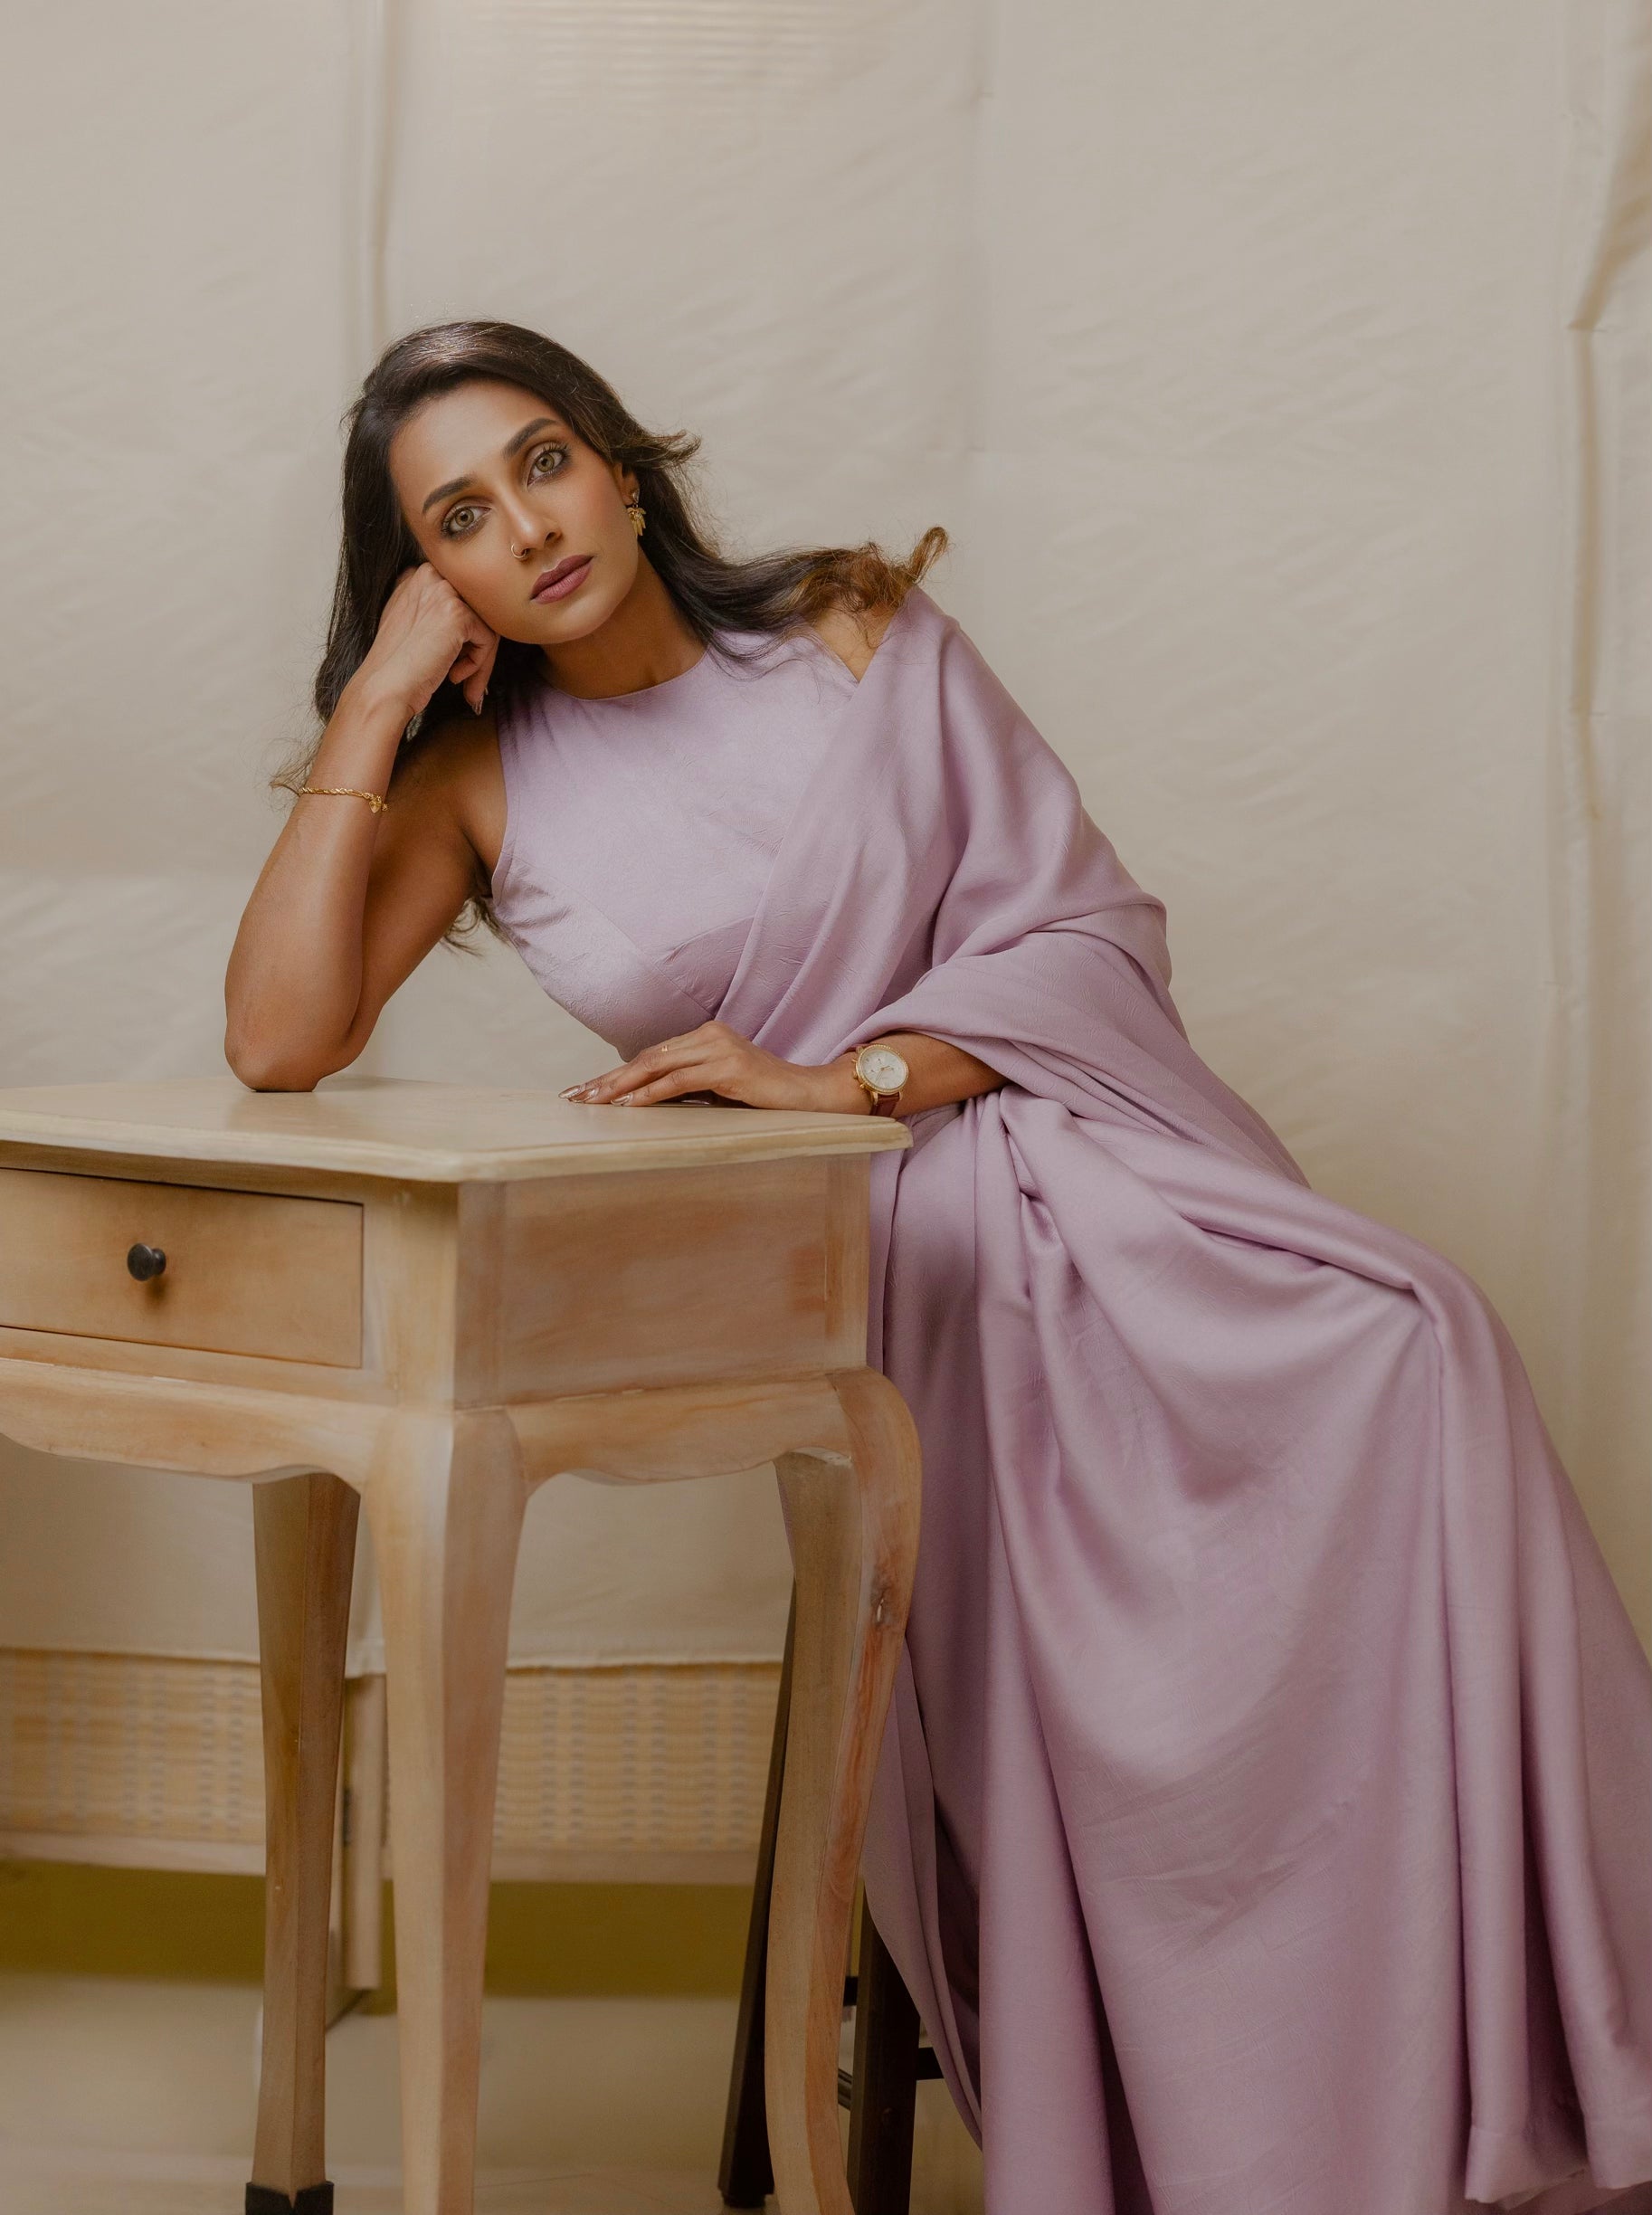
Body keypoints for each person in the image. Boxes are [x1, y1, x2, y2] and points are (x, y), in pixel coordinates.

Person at [224, 319, 1652, 2215]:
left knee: (1416, 1338)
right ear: (432, 578)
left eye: (544, 463)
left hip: (1059, 1148)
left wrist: (856, 1072)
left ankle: (1469, 2053)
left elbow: (1082, 923)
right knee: (1335, 1383)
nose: (528, 527)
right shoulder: (478, 780)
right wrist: (375, 707)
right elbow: (279, 1039)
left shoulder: (846, 632)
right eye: (459, 519)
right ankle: (1263, 2085)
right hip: (849, 1249)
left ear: (624, 471)